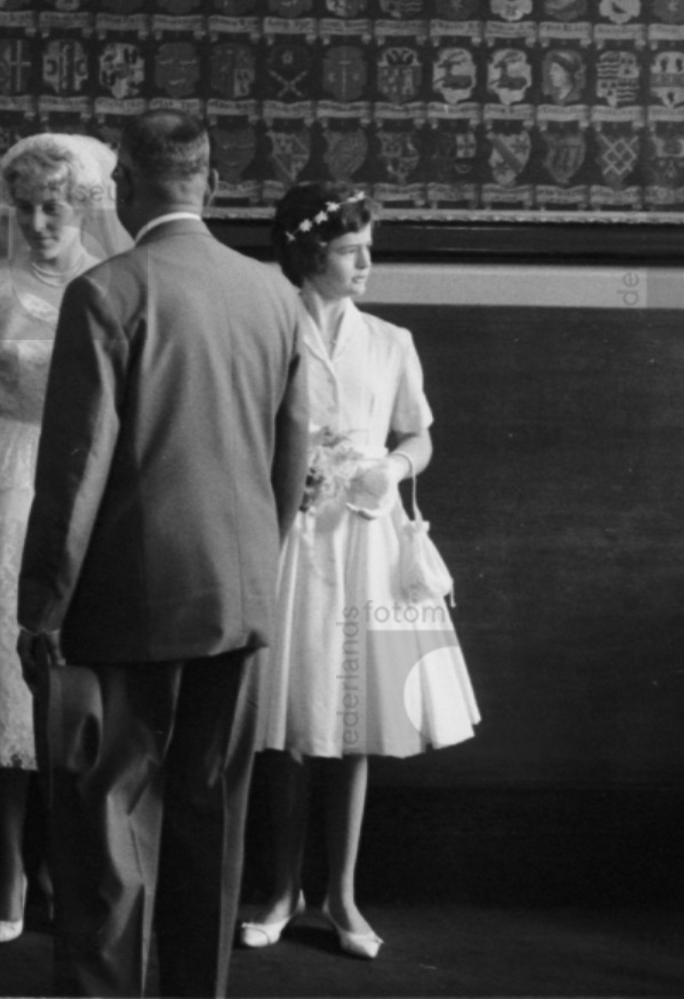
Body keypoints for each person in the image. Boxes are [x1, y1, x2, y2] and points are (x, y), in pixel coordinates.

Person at [17, 110, 310, 998]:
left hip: (123, 601)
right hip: (238, 594)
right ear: (211, 183)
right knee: (211, 815)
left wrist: (42, 609)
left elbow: (76, 470)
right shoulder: (275, 293)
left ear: (124, 188)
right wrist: (255, 566)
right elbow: (291, 452)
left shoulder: (106, 292)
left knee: (108, 824)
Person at [235, 182, 480, 962]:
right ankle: (280, 890)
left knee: (355, 718)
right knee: (288, 722)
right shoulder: (267, 328)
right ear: (311, 254)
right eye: (350, 250)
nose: (367, 262)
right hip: (290, 539)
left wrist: (392, 467)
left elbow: (419, 434)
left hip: (367, 538)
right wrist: (286, 476)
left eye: (368, 247)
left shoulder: (389, 340)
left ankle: (341, 894)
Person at [0, 133, 131, 943]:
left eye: (54, 207)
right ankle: (11, 863)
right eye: (24, 208)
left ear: (85, 206)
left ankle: (68, 857)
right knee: (4, 688)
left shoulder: (116, 282)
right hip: (7, 483)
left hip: (93, 484)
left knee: (79, 683)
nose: (38, 223)